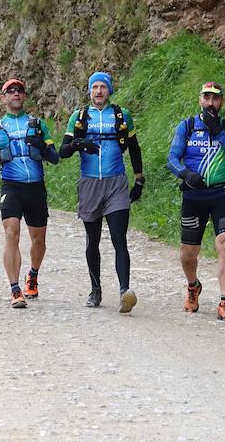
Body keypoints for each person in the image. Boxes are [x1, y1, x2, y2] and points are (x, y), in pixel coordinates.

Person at [59, 71, 144, 313]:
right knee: (92, 241)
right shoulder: (79, 117)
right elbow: (62, 151)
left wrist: (139, 180)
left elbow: (135, 149)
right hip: (89, 184)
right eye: (94, 87)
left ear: (109, 90)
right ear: (89, 91)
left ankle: (124, 291)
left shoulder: (121, 115)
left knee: (119, 239)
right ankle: (95, 290)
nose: (98, 91)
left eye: (103, 87)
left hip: (116, 183)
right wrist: (77, 143)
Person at [0, 78, 59, 309]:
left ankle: (33, 274)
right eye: (11, 91)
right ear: (3, 99)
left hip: (36, 187)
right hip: (12, 187)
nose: (16, 94)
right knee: (12, 232)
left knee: (38, 240)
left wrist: (41, 145)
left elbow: (55, 158)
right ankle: (14, 288)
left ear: (24, 96)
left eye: (19, 90)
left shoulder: (37, 124)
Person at [166, 81, 225, 321]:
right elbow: (172, 158)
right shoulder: (187, 126)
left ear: (221, 101)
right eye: (207, 98)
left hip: (222, 194)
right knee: (188, 254)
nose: (211, 103)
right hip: (193, 196)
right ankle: (193, 286)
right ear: (200, 100)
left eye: (215, 98)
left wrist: (219, 132)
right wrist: (185, 173)